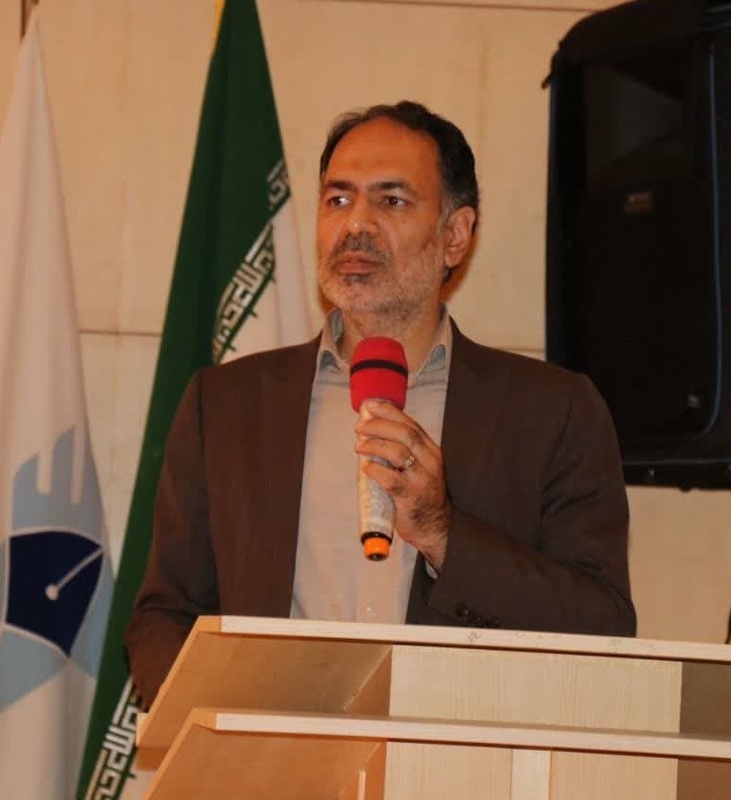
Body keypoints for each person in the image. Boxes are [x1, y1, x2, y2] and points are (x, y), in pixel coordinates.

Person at [125, 101, 635, 708]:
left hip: (455, 754)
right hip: (272, 754)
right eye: (338, 199)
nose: (355, 225)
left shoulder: (553, 410)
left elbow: (602, 627)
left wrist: (444, 534)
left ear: (455, 235)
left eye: (391, 200)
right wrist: (226, 726)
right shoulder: (227, 405)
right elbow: (164, 615)